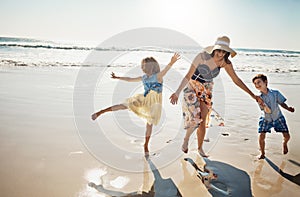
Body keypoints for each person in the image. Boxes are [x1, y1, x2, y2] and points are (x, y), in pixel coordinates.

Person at [169, 36, 263, 157]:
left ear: (227, 52)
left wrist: (252, 95)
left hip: (206, 89)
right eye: (219, 50)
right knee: (195, 119)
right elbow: (188, 75)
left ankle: (200, 148)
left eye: (224, 51)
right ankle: (186, 139)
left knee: (202, 120)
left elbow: (236, 80)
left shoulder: (226, 63)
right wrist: (177, 92)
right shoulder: (201, 56)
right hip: (192, 86)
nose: (220, 53)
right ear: (214, 49)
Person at [92, 53, 181, 156]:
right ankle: (101, 112)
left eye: (144, 65)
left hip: (154, 104)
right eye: (142, 65)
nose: (142, 67)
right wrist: (117, 77)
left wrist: (172, 61)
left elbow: (166, 70)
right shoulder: (143, 77)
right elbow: (130, 79)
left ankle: (146, 145)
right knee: (124, 105)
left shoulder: (158, 76)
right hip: (143, 99)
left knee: (149, 124)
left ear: (150, 66)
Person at [252, 74, 295, 159]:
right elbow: (264, 109)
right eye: (255, 84)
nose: (257, 85)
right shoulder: (259, 98)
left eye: (259, 82)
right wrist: (263, 105)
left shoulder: (275, 93)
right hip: (266, 119)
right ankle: (262, 153)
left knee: (287, 136)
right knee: (261, 136)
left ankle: (285, 143)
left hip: (278, 117)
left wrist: (288, 108)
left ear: (265, 82)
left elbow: (281, 103)